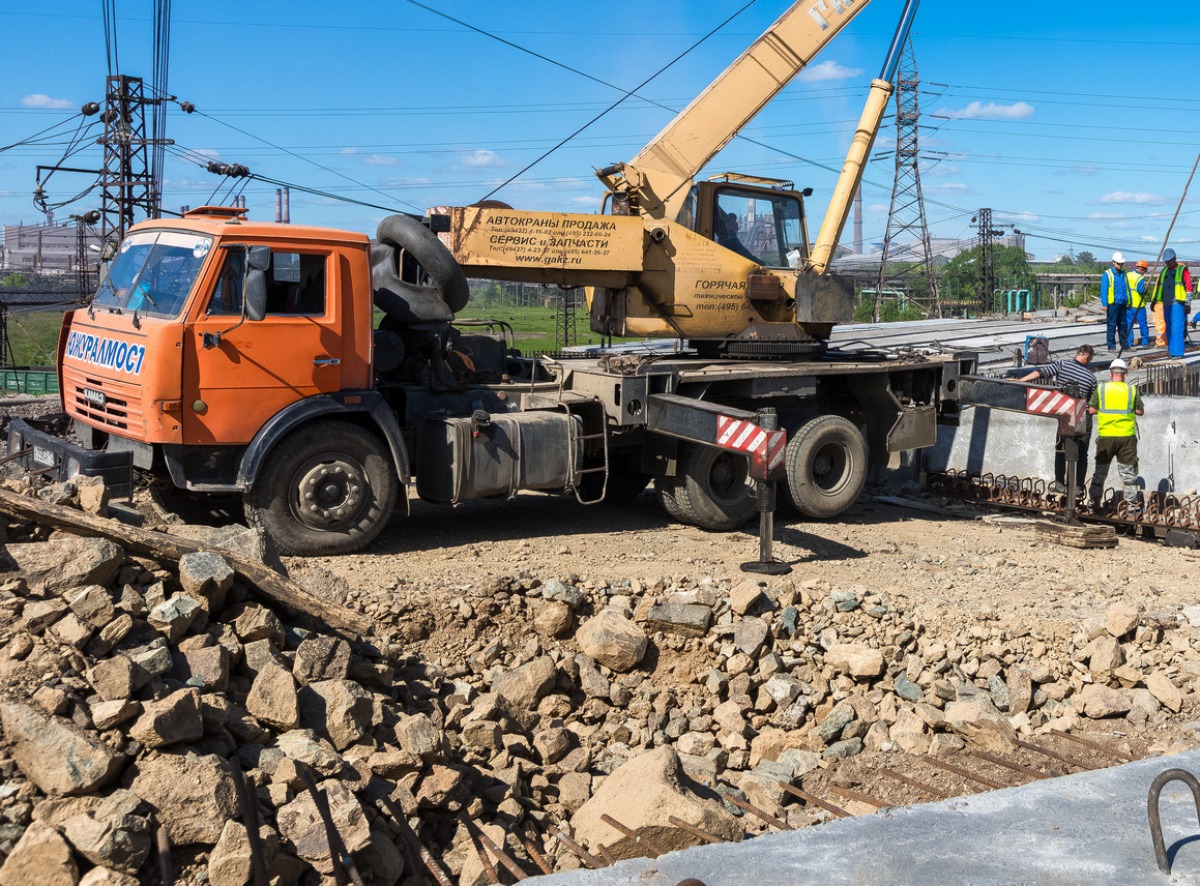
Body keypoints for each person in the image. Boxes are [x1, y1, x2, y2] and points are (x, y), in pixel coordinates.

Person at [1018, 344, 1097, 494]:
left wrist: (1022, 380)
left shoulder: (1062, 365)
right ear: (1087, 357)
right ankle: (1078, 486)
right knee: (1081, 452)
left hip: (1064, 414)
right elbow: (1092, 405)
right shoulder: (1091, 377)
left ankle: (1060, 483)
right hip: (1082, 416)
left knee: (1061, 448)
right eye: (1090, 359)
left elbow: (1042, 372)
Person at [1087, 358, 1145, 514]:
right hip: (1126, 437)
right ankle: (1132, 508)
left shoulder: (1101, 389)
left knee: (1100, 471)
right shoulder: (1131, 390)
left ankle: (1093, 504)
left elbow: (1091, 410)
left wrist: (1105, 412)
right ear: (1125, 375)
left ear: (1111, 374)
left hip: (1106, 436)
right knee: (1128, 473)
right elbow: (1140, 411)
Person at [1099, 251, 1139, 353]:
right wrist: (1104, 304)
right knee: (1112, 325)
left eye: (1121, 263)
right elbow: (1104, 290)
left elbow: (1127, 289)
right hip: (1113, 304)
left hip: (1123, 303)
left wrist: (1129, 301)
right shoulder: (1107, 274)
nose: (1120, 265)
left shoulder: (1124, 274)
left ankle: (1125, 346)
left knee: (1123, 326)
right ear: (1113, 262)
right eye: (1118, 263)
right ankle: (1111, 346)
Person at [1156, 248, 1192, 357]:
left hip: (1178, 304)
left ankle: (1178, 352)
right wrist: (1155, 301)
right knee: (1170, 329)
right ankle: (1172, 352)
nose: (1168, 263)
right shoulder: (1164, 271)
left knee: (1177, 328)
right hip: (1166, 304)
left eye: (1169, 261)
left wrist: (1187, 303)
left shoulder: (1182, 270)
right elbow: (1159, 286)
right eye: (1166, 261)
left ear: (1174, 258)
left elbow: (1189, 288)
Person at [1126, 260, 1151, 348]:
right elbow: (1140, 290)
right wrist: (1146, 291)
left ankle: (1129, 343)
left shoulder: (1127, 275)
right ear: (1142, 270)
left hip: (1128, 304)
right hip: (1138, 305)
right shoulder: (1140, 278)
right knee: (1143, 324)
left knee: (1129, 324)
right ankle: (1145, 342)